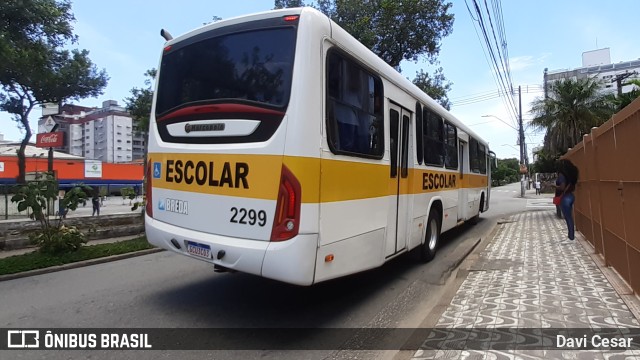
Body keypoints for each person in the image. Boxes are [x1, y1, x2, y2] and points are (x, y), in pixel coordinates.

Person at [555, 160, 579, 240]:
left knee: (568, 217)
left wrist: (553, 186)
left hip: (565, 197)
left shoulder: (562, 175)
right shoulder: (571, 174)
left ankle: (571, 236)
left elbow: (562, 187)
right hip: (571, 195)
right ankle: (571, 235)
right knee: (569, 217)